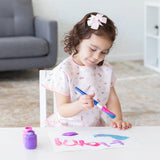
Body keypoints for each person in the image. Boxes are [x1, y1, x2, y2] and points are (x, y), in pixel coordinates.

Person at [42, 12, 132, 130]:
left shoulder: (104, 70)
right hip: (66, 129)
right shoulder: (64, 71)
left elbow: (112, 99)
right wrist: (79, 105)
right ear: (78, 40)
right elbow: (62, 110)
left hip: (94, 128)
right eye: (93, 49)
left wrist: (118, 120)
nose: (96, 56)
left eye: (104, 52)